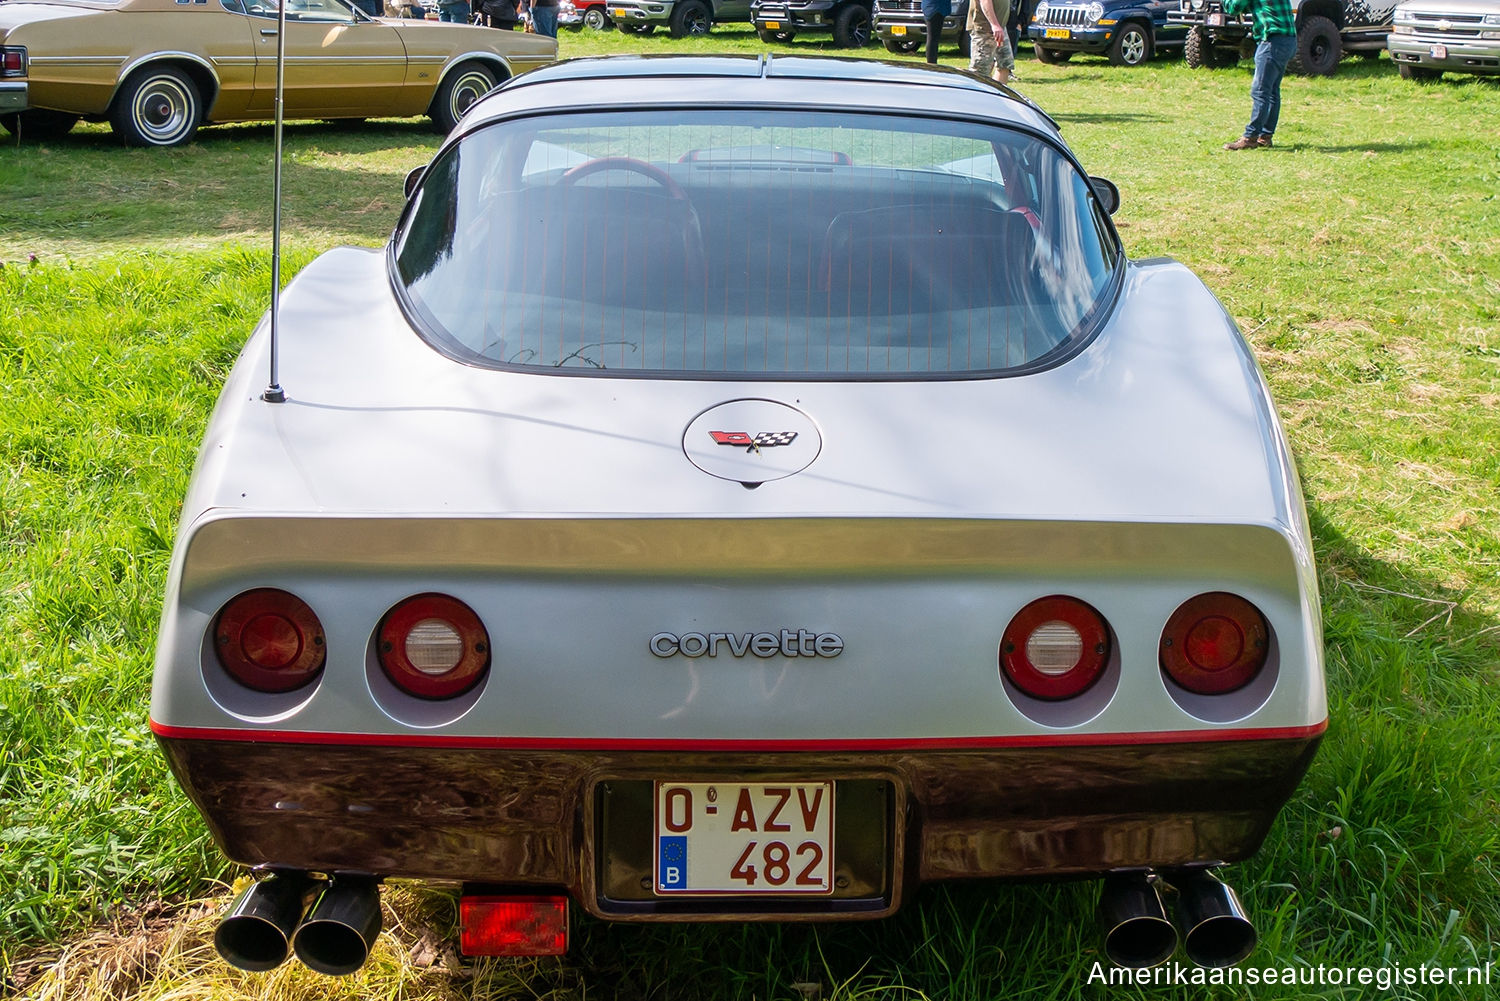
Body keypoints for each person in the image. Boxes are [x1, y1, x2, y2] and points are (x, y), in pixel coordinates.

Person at [1221, 0, 1296, 149]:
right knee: (1272, 91)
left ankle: (1250, 137)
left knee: (1260, 91)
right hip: (1288, 40)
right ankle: (1265, 136)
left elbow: (1233, 8)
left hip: (1272, 41)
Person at [968, 0, 1014, 84]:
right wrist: (995, 25)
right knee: (979, 73)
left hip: (1000, 28)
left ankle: (998, 95)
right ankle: (975, 96)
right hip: (983, 29)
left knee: (1005, 64)